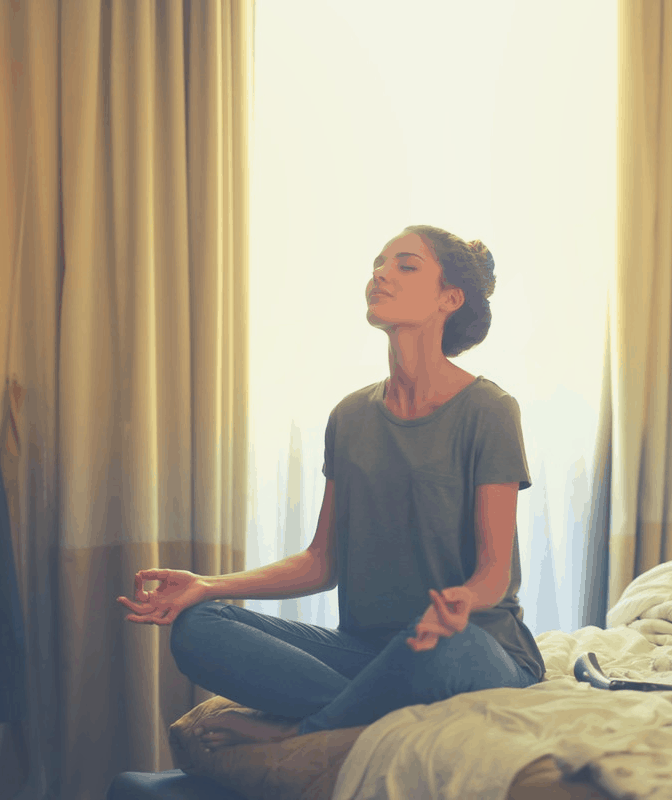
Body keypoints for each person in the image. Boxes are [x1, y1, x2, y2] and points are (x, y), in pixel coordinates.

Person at [117, 225, 544, 750]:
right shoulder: (349, 416)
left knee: (439, 650)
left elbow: (495, 573)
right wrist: (208, 585)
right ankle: (366, 709)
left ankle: (304, 730)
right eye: (378, 264)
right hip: (365, 651)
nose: (381, 274)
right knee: (199, 627)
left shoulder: (489, 411)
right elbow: (322, 562)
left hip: (469, 645)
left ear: (449, 299)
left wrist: (463, 598)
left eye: (405, 265)